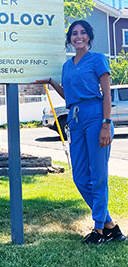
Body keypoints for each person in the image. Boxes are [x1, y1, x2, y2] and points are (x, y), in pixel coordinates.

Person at [31, 20, 126, 244]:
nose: (79, 36)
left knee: (98, 176)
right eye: (75, 33)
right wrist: (52, 83)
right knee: (80, 176)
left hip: (96, 117)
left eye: (83, 32)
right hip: (75, 119)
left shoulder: (98, 59)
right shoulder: (67, 65)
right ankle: (111, 225)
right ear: (70, 38)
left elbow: (106, 94)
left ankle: (99, 231)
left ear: (89, 37)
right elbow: (69, 96)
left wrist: (105, 124)